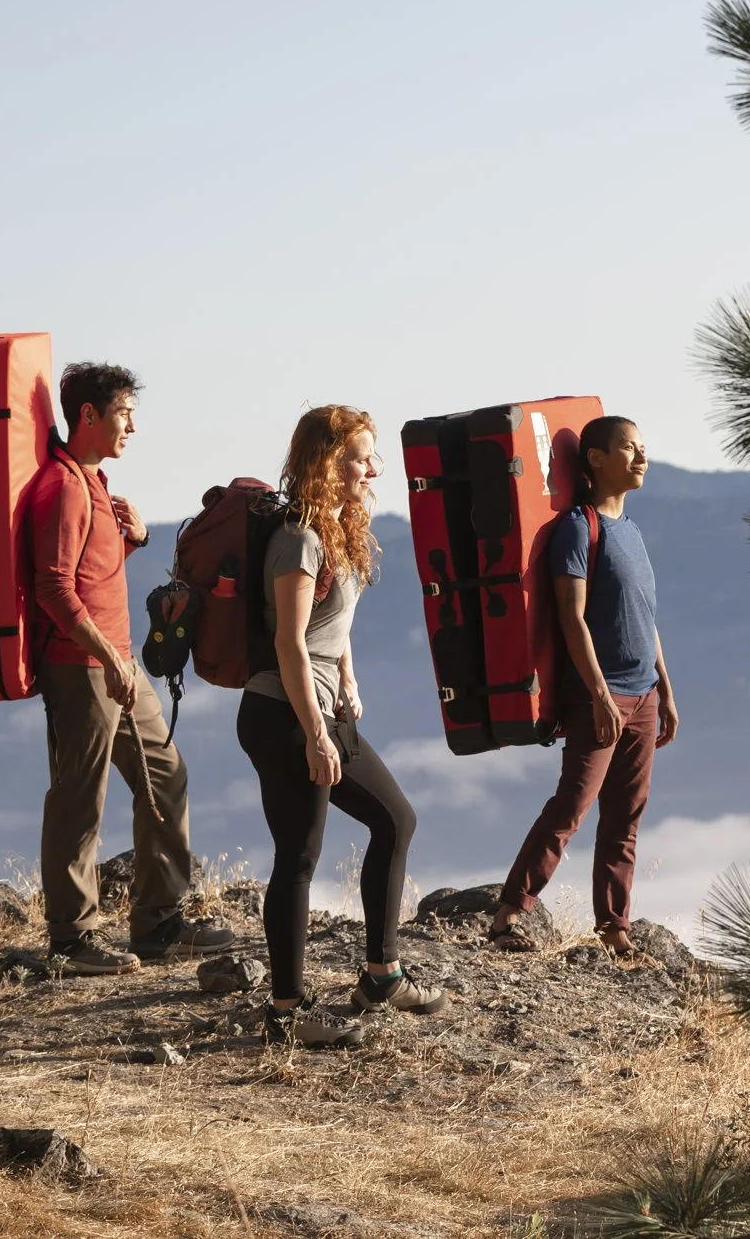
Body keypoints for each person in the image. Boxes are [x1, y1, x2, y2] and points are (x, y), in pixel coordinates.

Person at [237, 405, 444, 1048]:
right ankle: (287, 1011)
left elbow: (333, 625)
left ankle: (381, 974)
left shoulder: (337, 529)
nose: (373, 468)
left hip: (324, 708)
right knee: (298, 857)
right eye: (360, 457)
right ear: (328, 462)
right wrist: (317, 736)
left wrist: (349, 677)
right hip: (285, 715)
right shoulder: (299, 539)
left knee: (395, 818)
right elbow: (290, 645)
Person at [23, 361, 235, 974]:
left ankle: (159, 926)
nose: (132, 427)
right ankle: (71, 940)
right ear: (88, 415)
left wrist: (133, 539)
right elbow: (54, 588)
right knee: (79, 800)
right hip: (82, 665)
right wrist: (102, 656)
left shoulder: (93, 482)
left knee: (166, 774)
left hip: (114, 662)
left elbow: (89, 570)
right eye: (123, 413)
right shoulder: (63, 487)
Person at [489, 416, 679, 960]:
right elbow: (572, 617)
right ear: (595, 459)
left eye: (643, 447)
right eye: (628, 448)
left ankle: (614, 928)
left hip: (642, 695)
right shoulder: (580, 527)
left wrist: (665, 691)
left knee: (626, 814)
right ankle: (508, 912)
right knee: (572, 806)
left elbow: (646, 617)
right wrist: (597, 694)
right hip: (600, 694)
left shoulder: (634, 532)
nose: (642, 457)